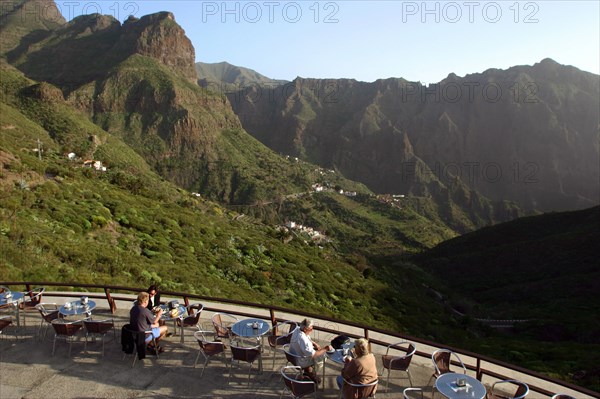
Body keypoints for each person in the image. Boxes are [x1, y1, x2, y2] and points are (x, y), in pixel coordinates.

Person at [289, 318, 332, 383]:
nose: (312, 330)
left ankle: (308, 370)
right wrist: (325, 349)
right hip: (300, 361)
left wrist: (314, 343)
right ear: (305, 329)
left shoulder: (297, 329)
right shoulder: (303, 340)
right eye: (311, 329)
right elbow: (314, 355)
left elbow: (306, 338)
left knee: (317, 352)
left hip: (292, 356)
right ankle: (310, 372)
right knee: (323, 357)